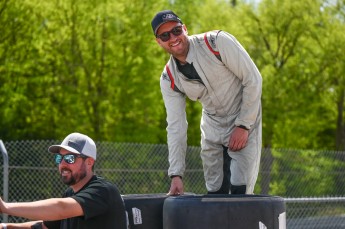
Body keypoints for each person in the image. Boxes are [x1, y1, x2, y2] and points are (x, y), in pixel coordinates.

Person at [151, 10, 262, 195]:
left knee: (239, 189)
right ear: (159, 41)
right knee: (215, 192)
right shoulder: (169, 78)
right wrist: (176, 174)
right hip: (212, 126)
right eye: (165, 35)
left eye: (176, 30)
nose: (173, 37)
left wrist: (243, 125)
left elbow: (253, 79)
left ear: (185, 28)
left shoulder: (216, 43)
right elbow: (176, 126)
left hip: (243, 115)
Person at [0, 133, 127, 229]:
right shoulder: (70, 194)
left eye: (70, 158)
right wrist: (6, 227)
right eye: (59, 158)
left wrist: (5, 207)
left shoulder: (102, 190)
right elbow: (45, 226)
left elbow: (61, 208)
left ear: (89, 162)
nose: (62, 163)